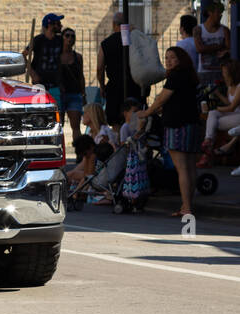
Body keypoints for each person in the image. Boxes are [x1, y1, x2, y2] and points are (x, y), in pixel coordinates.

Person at [138, 46, 204, 219]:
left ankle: (187, 207)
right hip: (192, 124)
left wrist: (146, 112)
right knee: (189, 166)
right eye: (166, 58)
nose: (168, 61)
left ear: (180, 60)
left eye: (172, 58)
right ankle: (187, 204)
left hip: (177, 126)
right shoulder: (189, 76)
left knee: (181, 168)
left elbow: (161, 98)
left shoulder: (175, 76)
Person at [97, 13, 142, 128]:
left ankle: (118, 144)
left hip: (114, 87)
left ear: (113, 25)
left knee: (115, 122)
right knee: (135, 122)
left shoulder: (106, 43)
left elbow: (100, 68)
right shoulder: (134, 41)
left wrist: (102, 86)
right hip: (134, 85)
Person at [23, 13, 65, 107]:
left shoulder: (60, 40)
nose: (61, 26)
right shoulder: (38, 40)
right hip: (39, 84)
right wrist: (32, 73)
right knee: (40, 111)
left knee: (57, 111)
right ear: (50, 25)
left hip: (55, 84)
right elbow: (23, 56)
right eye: (58, 23)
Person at [202, 60, 240, 160]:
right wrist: (218, 94)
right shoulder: (230, 86)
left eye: (225, 72)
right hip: (234, 114)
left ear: (232, 72)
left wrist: (214, 107)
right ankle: (208, 140)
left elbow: (232, 108)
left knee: (215, 122)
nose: (223, 74)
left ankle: (208, 147)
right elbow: (229, 103)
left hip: (238, 115)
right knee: (212, 114)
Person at [57, 26, 85, 149]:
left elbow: (81, 76)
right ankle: (59, 151)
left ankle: (79, 153)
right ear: (62, 38)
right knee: (58, 125)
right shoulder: (56, 56)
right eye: (67, 35)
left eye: (72, 36)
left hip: (74, 93)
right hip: (59, 94)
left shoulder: (78, 57)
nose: (70, 38)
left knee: (76, 126)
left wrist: (84, 93)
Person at [194, 2, 231, 88]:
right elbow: (199, 49)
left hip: (221, 72)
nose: (220, 15)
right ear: (210, 12)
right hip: (204, 72)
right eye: (218, 12)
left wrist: (208, 48)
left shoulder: (225, 30)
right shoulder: (198, 29)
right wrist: (220, 46)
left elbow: (229, 49)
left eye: (222, 13)